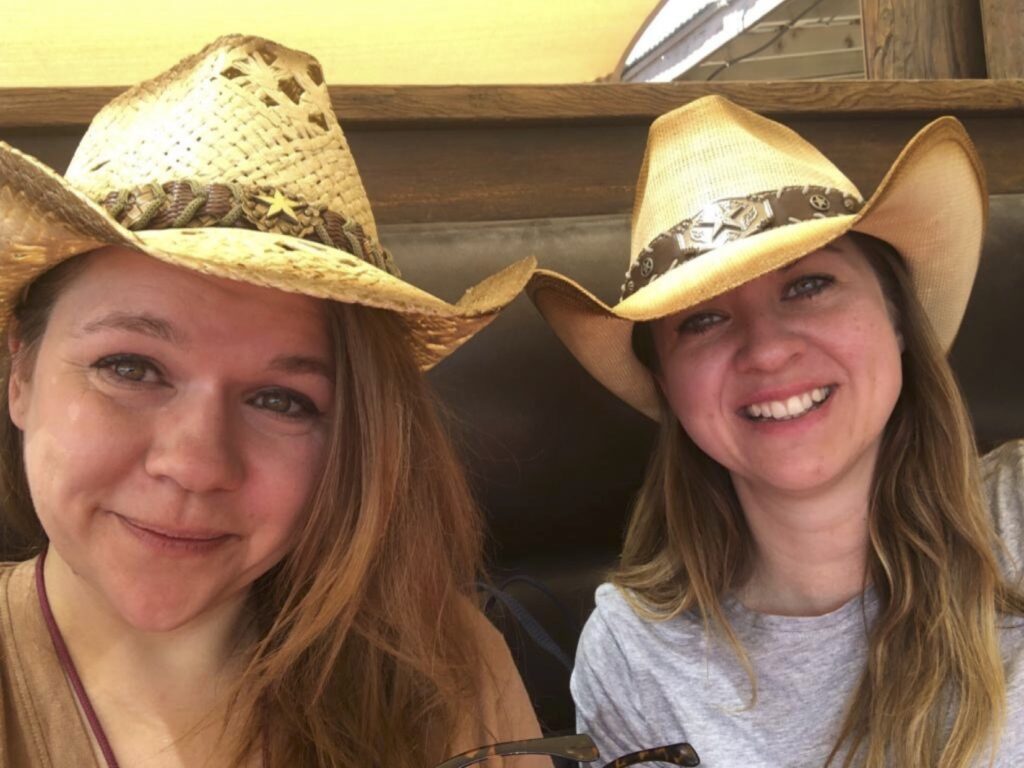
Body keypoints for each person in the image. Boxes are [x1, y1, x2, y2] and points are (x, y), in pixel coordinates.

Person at [0, 35, 548, 768]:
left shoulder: (444, 669)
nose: (195, 465)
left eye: (282, 401)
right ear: (21, 378)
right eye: (130, 367)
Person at [528, 96, 1024, 767]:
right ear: (669, 386)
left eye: (809, 284)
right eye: (701, 320)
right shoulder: (634, 656)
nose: (766, 351)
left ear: (899, 319)